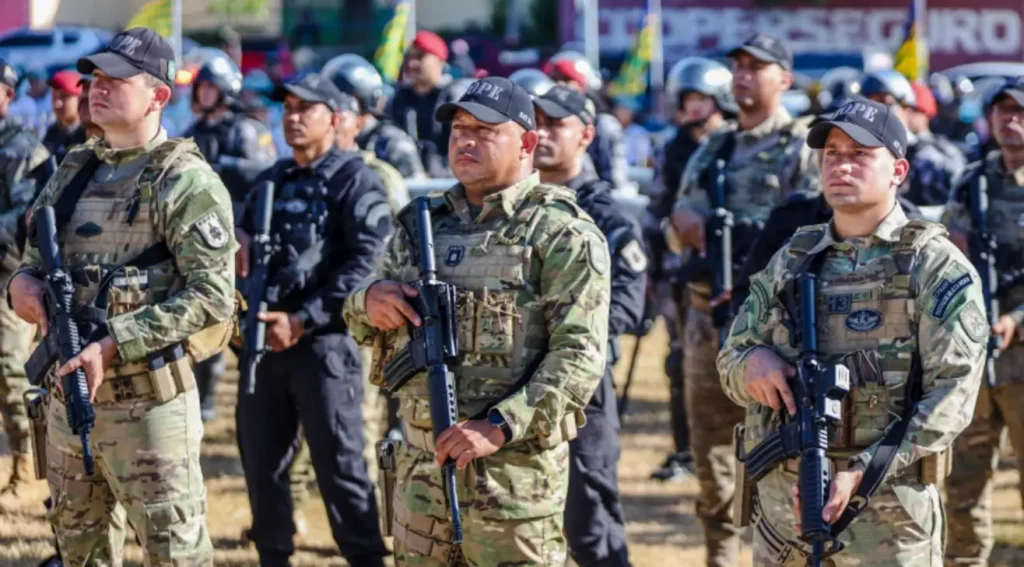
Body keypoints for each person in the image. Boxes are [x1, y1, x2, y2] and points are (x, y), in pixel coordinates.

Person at [342, 76, 610, 565]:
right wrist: (369, 302)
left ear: (528, 143)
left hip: (511, 482)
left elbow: (579, 358)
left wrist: (499, 426)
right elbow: (360, 314)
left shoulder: (561, 233)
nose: (465, 139)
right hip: (420, 474)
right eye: (458, 128)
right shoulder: (421, 225)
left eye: (485, 130)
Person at [718, 97, 985, 566]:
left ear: (897, 170)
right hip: (785, 522)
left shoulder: (933, 265)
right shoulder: (792, 259)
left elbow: (953, 394)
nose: (841, 165)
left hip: (887, 519)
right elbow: (732, 356)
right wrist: (751, 364)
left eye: (860, 154)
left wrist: (864, 470)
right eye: (832, 154)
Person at [7, 27, 237, 563]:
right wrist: (22, 284)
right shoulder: (74, 168)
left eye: (116, 79)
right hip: (69, 401)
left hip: (148, 409)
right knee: (78, 547)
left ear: (158, 94)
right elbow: (35, 260)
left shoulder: (185, 181)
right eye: (94, 77)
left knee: (173, 551)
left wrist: (114, 344)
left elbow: (213, 297)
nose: (97, 88)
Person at [668, 34, 819, 567]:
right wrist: (684, 226)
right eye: (738, 66)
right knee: (711, 459)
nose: (744, 75)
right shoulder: (716, 148)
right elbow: (676, 218)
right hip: (709, 316)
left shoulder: (803, 147)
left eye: (758, 66)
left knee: (782, 457)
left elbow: (818, 233)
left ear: (785, 78)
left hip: (778, 325)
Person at [233, 72, 390, 567]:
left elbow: (367, 266)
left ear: (336, 118)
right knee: (263, 469)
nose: (294, 117)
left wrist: (302, 319)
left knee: (341, 469)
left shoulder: (356, 179)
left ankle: (366, 558)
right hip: (262, 347)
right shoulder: (271, 181)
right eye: (288, 108)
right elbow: (240, 255)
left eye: (307, 108)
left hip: (325, 346)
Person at [533, 84, 645, 567]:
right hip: (506, 383)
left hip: (581, 389)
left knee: (589, 516)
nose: (542, 133)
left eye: (556, 123)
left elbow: (628, 305)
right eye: (535, 121)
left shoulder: (605, 216)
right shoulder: (515, 210)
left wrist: (564, 337)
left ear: (586, 134)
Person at [941, 77, 1024, 566]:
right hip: (976, 355)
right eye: (1001, 112)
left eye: (1019, 111)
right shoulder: (972, 181)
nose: (1010, 121)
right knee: (963, 483)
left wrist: (1016, 317)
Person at [647, 56, 737, 483]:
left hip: (735, 270)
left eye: (701, 98)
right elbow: (659, 205)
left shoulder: (736, 143)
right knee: (681, 362)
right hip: (682, 272)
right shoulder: (675, 147)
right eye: (688, 99)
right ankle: (686, 449)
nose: (694, 107)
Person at [184, 49, 276, 422]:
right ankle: (204, 403)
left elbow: (265, 177)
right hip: (200, 245)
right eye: (199, 88)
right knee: (203, 323)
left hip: (243, 248)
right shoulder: (192, 134)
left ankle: (261, 402)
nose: (203, 94)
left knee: (245, 328)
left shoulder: (247, 129)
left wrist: (227, 167)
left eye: (210, 87)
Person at [0, 57, 49, 509]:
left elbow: (29, 215)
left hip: (8, 279)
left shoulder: (23, 148)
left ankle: (26, 470)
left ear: (8, 95)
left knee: (11, 372)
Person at [859, 69, 966, 206]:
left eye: (885, 103)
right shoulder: (853, 156)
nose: (875, 112)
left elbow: (950, 214)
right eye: (869, 104)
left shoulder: (931, 159)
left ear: (906, 109)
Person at [322, 53, 426, 179]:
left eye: (345, 100)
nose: (336, 108)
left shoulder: (392, 144)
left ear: (367, 99)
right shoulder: (324, 141)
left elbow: (415, 190)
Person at [546, 52, 629, 189]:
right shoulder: (540, 123)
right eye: (554, 79)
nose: (559, 85)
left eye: (567, 80)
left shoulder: (604, 126)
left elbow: (615, 181)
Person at [390, 31, 454, 176]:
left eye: (420, 57)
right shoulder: (399, 99)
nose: (412, 63)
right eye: (409, 57)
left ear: (439, 61)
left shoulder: (454, 98)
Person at [42, 70, 87, 164]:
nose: (57, 104)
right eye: (54, 97)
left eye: (64, 97)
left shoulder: (88, 134)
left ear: (80, 98)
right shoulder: (52, 132)